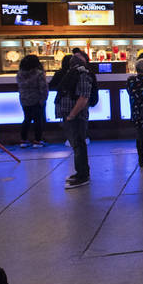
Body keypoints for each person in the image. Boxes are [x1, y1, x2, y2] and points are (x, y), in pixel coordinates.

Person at [54, 55, 94, 189]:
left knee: (78, 145)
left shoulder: (81, 75)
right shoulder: (74, 74)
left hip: (76, 116)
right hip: (72, 115)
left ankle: (82, 175)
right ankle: (80, 173)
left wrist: (71, 115)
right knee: (77, 145)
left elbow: (83, 97)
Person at [16, 54, 48, 148]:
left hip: (24, 99)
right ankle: (37, 141)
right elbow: (43, 88)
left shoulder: (20, 73)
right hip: (37, 99)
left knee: (27, 119)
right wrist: (43, 99)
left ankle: (23, 140)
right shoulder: (39, 73)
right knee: (38, 120)